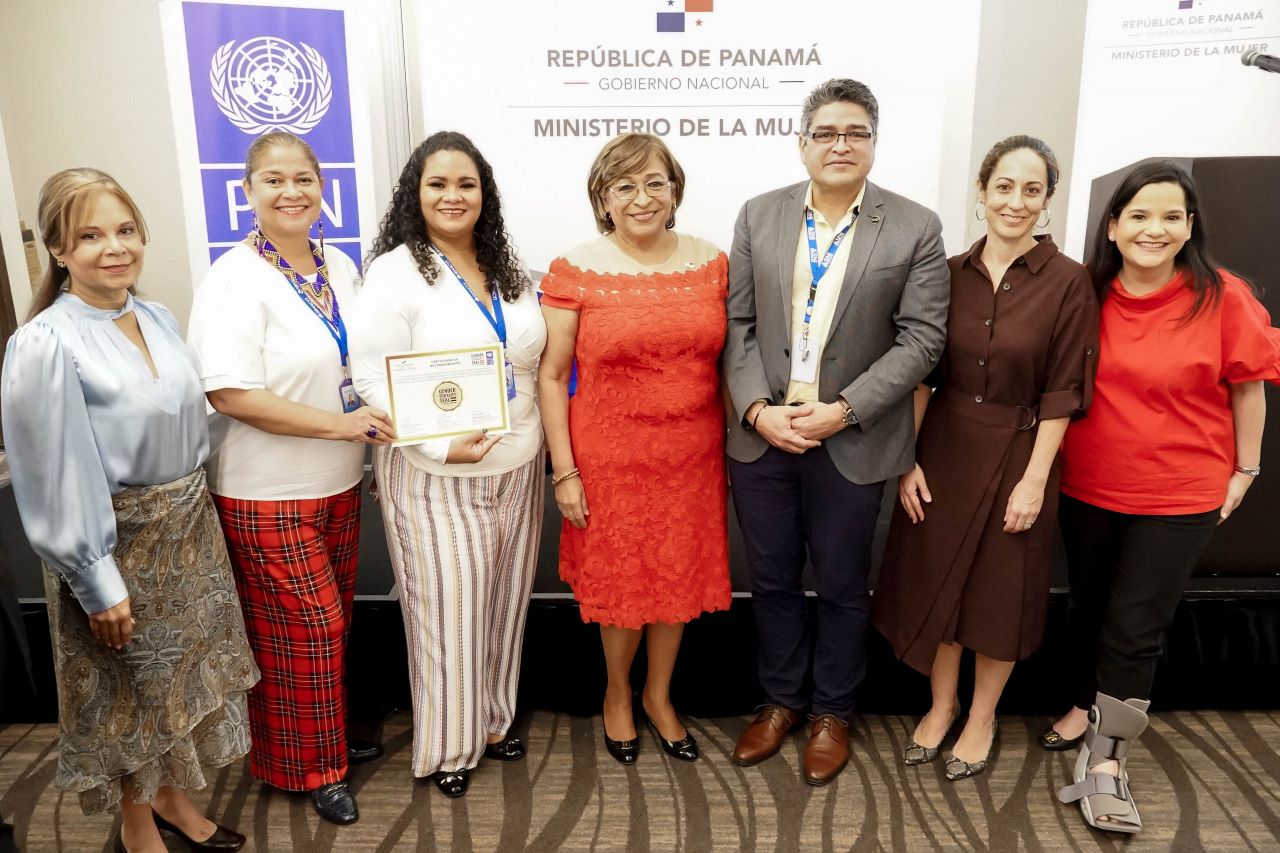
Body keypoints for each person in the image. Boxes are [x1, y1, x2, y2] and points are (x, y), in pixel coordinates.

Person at [1, 168, 257, 852]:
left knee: (175, 681)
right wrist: (95, 577)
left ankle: (172, 798)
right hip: (115, 544)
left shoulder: (157, 316)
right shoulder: (44, 342)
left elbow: (189, 424)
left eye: (124, 230)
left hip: (188, 534)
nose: (114, 247)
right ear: (58, 250)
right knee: (126, 693)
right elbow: (52, 472)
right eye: (89, 235)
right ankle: (137, 821)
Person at [722, 78, 950, 786]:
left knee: (846, 585)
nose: (840, 144)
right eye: (826, 132)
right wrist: (757, 408)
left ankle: (833, 712)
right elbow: (738, 324)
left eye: (855, 132)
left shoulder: (915, 225)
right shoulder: (759, 215)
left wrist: (844, 409)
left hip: (851, 438)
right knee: (773, 579)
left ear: (874, 144)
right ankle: (783, 700)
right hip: (763, 435)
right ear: (802, 143)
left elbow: (922, 339)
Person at [1049, 161, 1280, 833]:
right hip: (1088, 484)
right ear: (1113, 226)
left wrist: (1247, 470)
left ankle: (1108, 762)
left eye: (1172, 215)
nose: (1156, 228)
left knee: (1135, 625)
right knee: (1089, 607)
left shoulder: (1223, 295)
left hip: (1179, 494)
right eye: (1140, 215)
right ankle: (1081, 704)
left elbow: (1248, 385)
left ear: (1189, 225)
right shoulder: (1084, 292)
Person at [871, 136, 1098, 780]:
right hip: (943, 448)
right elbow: (921, 375)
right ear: (981, 191)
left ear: (1048, 199)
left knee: (998, 597)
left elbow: (1062, 393)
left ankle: (980, 718)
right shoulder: (944, 272)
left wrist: (1033, 482)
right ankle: (941, 708)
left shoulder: (1068, 281)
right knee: (939, 586)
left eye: (1032, 189)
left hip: (1022, 451)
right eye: (1004, 186)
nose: (1015, 201)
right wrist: (906, 458)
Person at [186, 132, 394, 826]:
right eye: (273, 180)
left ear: (322, 187)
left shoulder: (338, 263)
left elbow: (358, 362)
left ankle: (318, 740)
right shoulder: (233, 278)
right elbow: (231, 393)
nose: (291, 192)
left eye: (304, 178)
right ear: (247, 192)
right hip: (264, 489)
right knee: (311, 627)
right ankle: (311, 768)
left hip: (335, 481)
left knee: (318, 628)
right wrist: (344, 427)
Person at [349, 131, 546, 798]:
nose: (453, 195)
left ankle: (492, 720)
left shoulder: (508, 269)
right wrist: (435, 444)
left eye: (466, 184)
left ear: (483, 193)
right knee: (447, 614)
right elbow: (372, 378)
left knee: (501, 608)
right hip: (435, 477)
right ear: (416, 192)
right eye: (438, 184)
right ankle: (449, 748)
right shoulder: (395, 271)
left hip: (517, 468)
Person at [538, 133, 731, 766]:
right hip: (609, 459)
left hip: (692, 456)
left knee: (675, 578)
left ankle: (659, 696)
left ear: (675, 190)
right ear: (603, 197)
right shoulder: (574, 270)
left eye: (655, 183)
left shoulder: (714, 264)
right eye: (624, 185)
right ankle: (617, 693)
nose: (642, 198)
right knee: (625, 584)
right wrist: (564, 472)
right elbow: (549, 375)